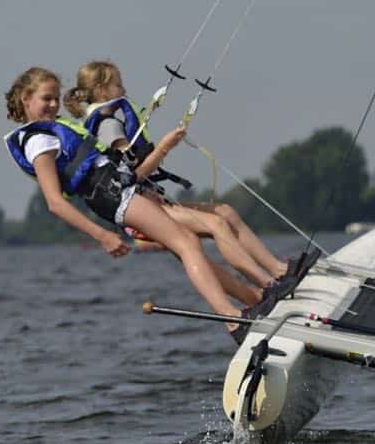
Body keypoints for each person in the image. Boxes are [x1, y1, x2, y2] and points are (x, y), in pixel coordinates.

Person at [4, 66, 268, 343]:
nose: (54, 105)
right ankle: (233, 319)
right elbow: (55, 203)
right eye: (46, 98)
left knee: (188, 241)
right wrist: (102, 236)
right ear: (25, 99)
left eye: (56, 98)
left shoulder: (52, 131)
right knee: (186, 243)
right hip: (112, 196)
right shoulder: (37, 141)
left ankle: (249, 303)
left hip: (120, 189)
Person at [63, 60, 292, 292]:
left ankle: (278, 270)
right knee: (218, 225)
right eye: (119, 85)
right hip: (138, 208)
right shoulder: (108, 127)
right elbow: (132, 177)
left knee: (225, 212)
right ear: (102, 91)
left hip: (149, 200)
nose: (124, 90)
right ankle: (268, 284)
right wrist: (164, 147)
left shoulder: (109, 122)